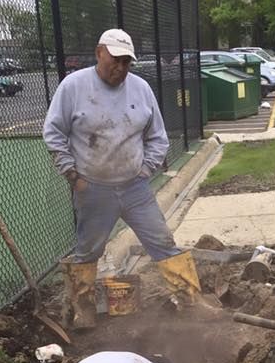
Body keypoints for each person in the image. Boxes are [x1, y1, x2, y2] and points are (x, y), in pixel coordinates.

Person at [43, 28, 204, 329]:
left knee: (162, 241)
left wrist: (145, 171)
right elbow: (54, 133)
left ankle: (191, 301)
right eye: (115, 60)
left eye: (126, 62)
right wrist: (73, 175)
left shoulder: (140, 88)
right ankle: (83, 310)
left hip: (135, 187)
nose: (120, 68)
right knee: (88, 250)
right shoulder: (74, 86)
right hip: (92, 189)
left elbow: (158, 137)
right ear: (99, 52)